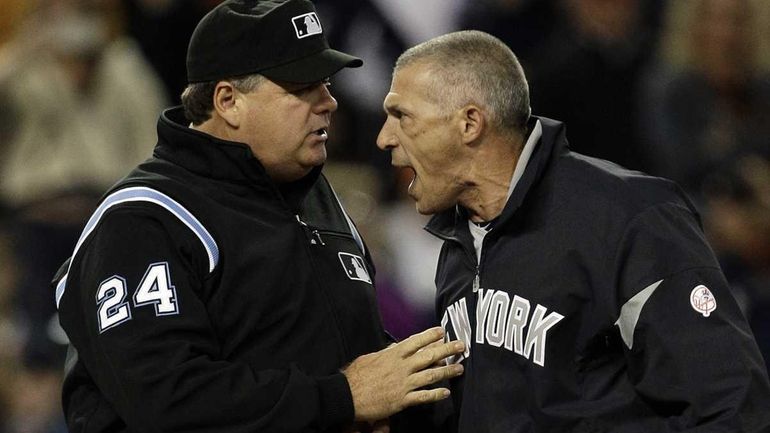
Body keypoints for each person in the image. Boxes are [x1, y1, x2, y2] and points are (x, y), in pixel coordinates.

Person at [52, 1, 465, 432]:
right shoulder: (145, 219)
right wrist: (343, 398)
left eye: (325, 83)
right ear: (228, 101)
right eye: (303, 87)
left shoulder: (317, 198)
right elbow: (167, 401)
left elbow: (356, 362)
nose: (329, 102)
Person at [376, 30, 770, 432]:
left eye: (402, 117)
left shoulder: (628, 217)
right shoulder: (459, 243)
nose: (384, 138)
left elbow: (732, 409)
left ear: (470, 123)